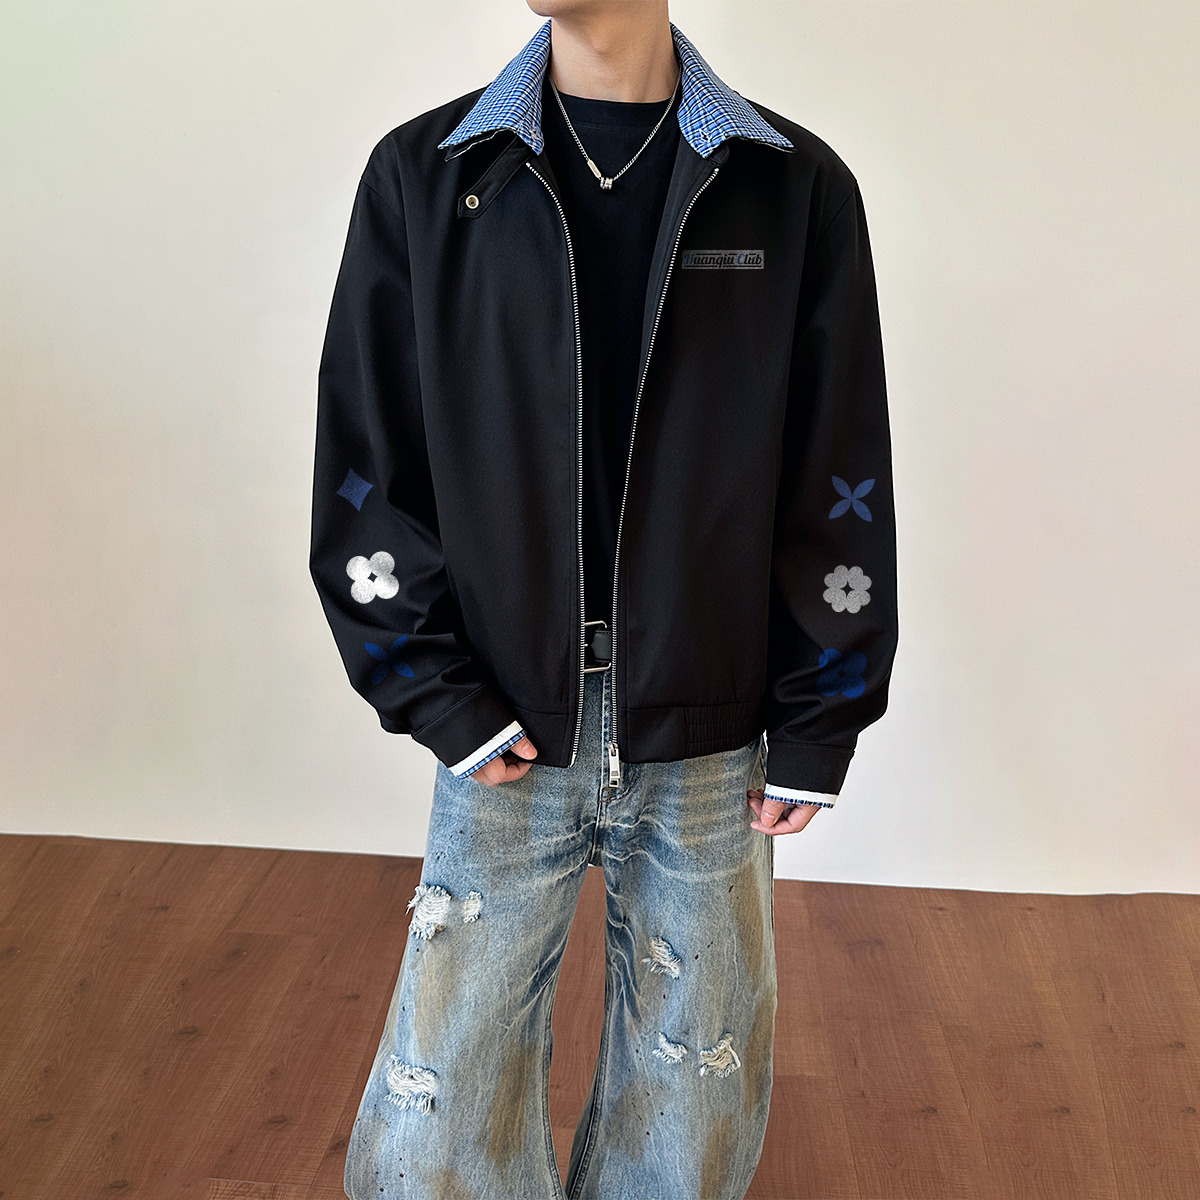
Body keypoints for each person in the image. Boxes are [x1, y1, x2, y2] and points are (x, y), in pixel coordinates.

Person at [310, 2, 897, 1196]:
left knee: (693, 1086)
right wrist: (432, 688)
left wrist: (822, 711)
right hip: (504, 714)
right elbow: (366, 463)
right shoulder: (428, 177)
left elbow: (838, 472)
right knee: (446, 1084)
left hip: (713, 721)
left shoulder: (792, 189)